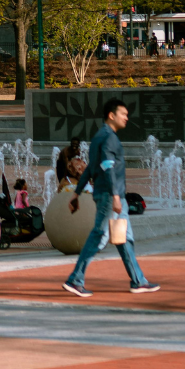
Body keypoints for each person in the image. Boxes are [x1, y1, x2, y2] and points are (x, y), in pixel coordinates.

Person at [63, 97, 159, 297]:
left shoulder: (99, 137)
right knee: (99, 235)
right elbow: (107, 167)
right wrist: (116, 196)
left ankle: (138, 281)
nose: (127, 117)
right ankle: (75, 279)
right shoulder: (109, 138)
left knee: (124, 237)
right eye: (123, 114)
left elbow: (90, 168)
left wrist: (76, 193)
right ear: (111, 115)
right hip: (110, 195)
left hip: (111, 195)